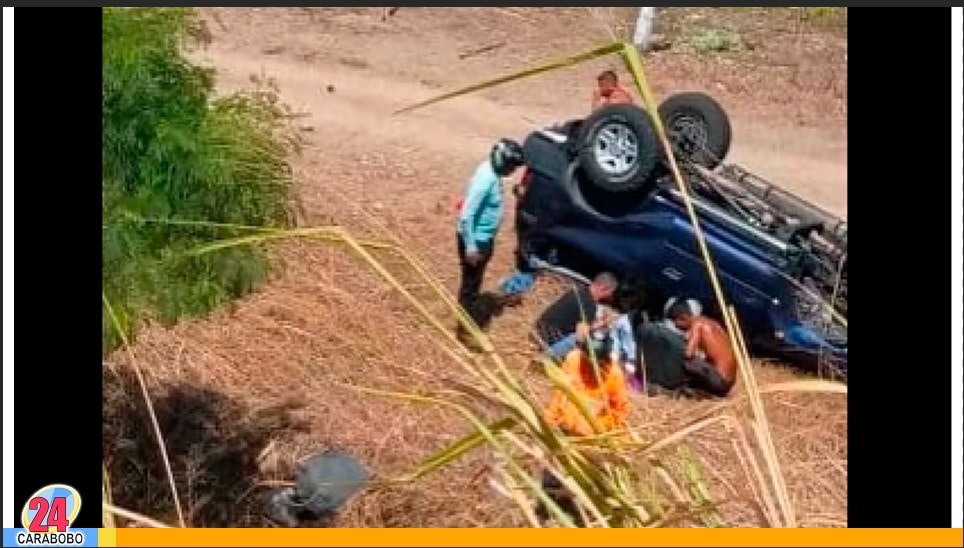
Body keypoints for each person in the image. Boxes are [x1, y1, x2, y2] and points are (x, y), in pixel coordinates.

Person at [538, 330, 631, 525]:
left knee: (591, 482)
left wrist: (616, 439)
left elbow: (619, 411)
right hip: (565, 430)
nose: (596, 365)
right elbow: (559, 393)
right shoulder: (573, 360)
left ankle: (586, 517)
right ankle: (545, 512)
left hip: (594, 437)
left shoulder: (613, 374)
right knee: (553, 475)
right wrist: (549, 422)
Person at [455, 138, 525, 344]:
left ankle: (467, 323)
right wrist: (470, 247)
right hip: (476, 242)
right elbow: (466, 215)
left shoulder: (491, 172)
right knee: (470, 287)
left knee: (473, 283)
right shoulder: (486, 179)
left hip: (481, 239)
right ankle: (465, 332)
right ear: (502, 160)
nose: (512, 171)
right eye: (511, 166)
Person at [536, 272, 619, 361]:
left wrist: (594, 324)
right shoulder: (590, 304)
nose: (610, 296)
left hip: (540, 325)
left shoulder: (579, 290)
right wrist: (597, 328)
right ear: (604, 288)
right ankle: (546, 358)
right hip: (549, 335)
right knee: (579, 341)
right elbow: (580, 336)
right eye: (610, 292)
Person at [666, 300, 738, 397]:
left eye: (676, 322)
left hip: (720, 382)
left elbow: (688, 354)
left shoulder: (697, 326)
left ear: (683, 317)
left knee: (687, 362)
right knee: (699, 362)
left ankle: (677, 388)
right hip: (730, 381)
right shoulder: (712, 323)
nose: (676, 326)